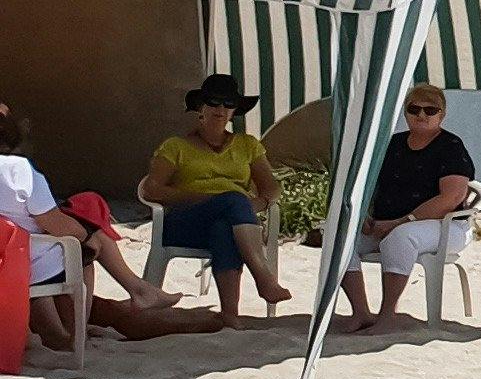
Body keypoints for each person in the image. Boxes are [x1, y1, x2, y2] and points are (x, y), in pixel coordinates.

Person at [4, 99, 208, 353]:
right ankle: (74, 334)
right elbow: (53, 223)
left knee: (83, 222)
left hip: (12, 257)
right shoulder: (17, 170)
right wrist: (83, 233)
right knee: (88, 246)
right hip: (21, 260)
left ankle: (127, 298)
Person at [142, 75, 289, 316]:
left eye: (228, 104)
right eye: (213, 102)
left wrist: (258, 203)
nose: (220, 109)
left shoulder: (248, 145)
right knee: (232, 200)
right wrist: (204, 200)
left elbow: (271, 187)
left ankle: (230, 316)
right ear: (201, 107)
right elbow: (151, 189)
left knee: (224, 229)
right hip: (185, 221)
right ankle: (263, 277)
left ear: (234, 111)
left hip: (232, 221)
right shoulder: (175, 146)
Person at [342, 86, 477, 335]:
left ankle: (388, 315)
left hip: (447, 226)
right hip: (385, 222)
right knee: (339, 238)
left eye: (430, 110)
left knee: (401, 237)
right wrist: (363, 215)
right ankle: (361, 311)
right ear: (405, 112)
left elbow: (452, 197)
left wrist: (400, 222)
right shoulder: (392, 144)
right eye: (414, 109)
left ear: (442, 115)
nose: (421, 115)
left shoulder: (451, 146)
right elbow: (368, 184)